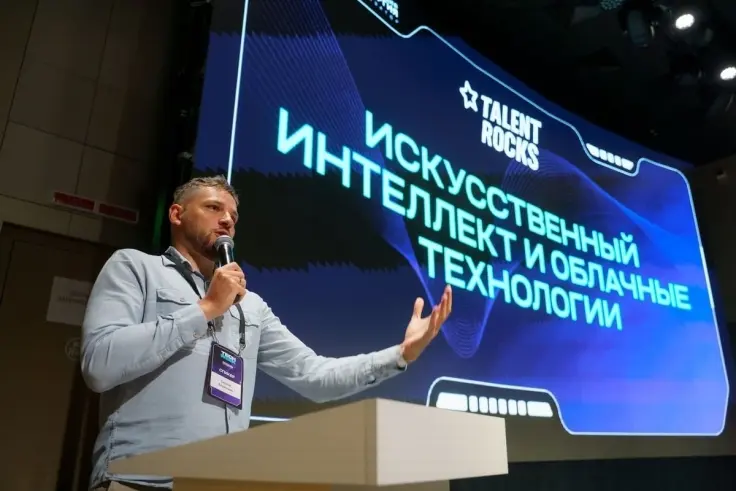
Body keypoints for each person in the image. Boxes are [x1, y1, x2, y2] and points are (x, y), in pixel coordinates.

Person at [81, 175, 453, 491]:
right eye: (213, 208)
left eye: (233, 216)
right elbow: (99, 364)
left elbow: (315, 376)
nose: (227, 220)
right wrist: (206, 309)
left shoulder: (250, 306)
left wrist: (401, 354)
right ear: (177, 214)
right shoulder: (135, 268)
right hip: (138, 481)